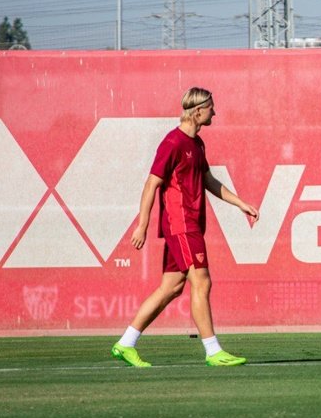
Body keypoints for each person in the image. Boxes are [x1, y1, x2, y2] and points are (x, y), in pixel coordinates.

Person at [111, 87, 260, 368]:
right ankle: (213, 351)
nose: (215, 112)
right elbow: (151, 184)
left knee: (171, 287)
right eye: (211, 107)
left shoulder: (197, 144)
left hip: (190, 225)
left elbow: (209, 181)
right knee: (202, 282)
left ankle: (125, 343)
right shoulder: (173, 143)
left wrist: (241, 203)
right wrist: (142, 225)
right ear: (198, 110)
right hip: (181, 225)